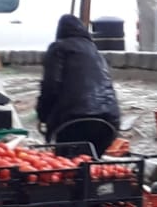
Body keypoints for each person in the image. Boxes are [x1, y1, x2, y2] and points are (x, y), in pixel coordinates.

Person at [37, 14, 120, 153]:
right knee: (93, 165)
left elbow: (50, 87)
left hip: (73, 121)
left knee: (70, 166)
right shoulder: (95, 51)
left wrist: (43, 116)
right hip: (108, 122)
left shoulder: (58, 48)